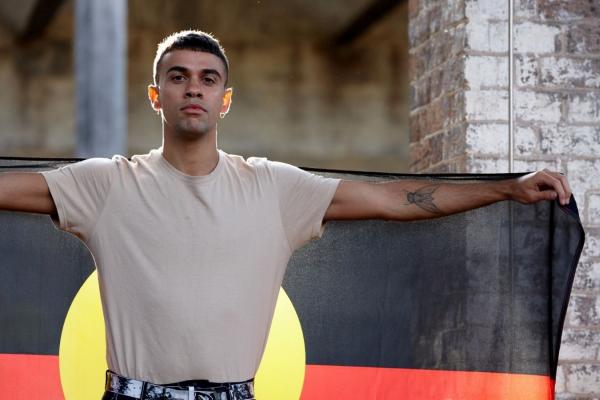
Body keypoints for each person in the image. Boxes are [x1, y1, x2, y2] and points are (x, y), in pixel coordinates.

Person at [0, 30, 571, 400]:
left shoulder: (273, 188)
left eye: (207, 78)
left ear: (226, 98)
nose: (192, 89)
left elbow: (394, 200)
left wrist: (507, 190)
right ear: (157, 96)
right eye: (177, 77)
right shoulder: (107, 185)